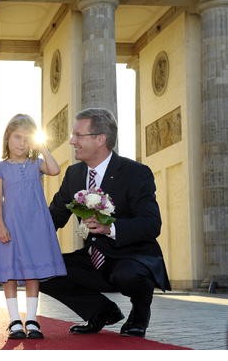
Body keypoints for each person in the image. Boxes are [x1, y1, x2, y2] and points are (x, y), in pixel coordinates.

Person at [40, 108, 171, 338]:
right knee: (42, 271)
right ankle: (101, 312)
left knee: (129, 274)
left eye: (78, 135)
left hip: (132, 256)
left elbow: (152, 223)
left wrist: (110, 228)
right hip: (94, 256)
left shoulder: (136, 173)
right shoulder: (73, 174)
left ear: (100, 139)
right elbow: (55, 216)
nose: (72, 141)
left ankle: (139, 314)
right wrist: (21, 236)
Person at [0, 114, 67, 340]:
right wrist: (0, 226)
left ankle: (32, 319)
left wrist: (43, 147)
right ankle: (14, 320)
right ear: (7, 138)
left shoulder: (36, 164)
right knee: (10, 273)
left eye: (26, 138)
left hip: (36, 226)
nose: (21, 143)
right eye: (17, 137)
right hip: (11, 225)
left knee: (33, 274)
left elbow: (55, 170)